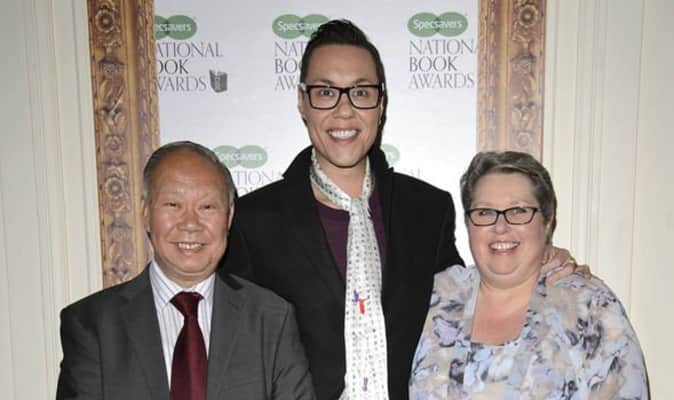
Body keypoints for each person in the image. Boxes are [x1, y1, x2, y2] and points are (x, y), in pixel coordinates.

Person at [222, 20, 584, 400]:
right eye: (326, 92)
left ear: (380, 103)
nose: (344, 110)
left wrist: (537, 263)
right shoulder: (253, 220)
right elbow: (233, 349)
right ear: (302, 102)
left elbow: (467, 303)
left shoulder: (427, 210)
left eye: (361, 92)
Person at [56, 141, 315, 399]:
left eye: (207, 207)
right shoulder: (92, 324)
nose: (191, 223)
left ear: (229, 216)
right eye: (173, 205)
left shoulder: (270, 318)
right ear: (146, 213)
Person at [410, 151, 649, 399]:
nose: (500, 227)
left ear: (547, 222)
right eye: (484, 212)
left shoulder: (589, 307)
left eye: (519, 211)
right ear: (468, 224)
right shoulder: (434, 298)